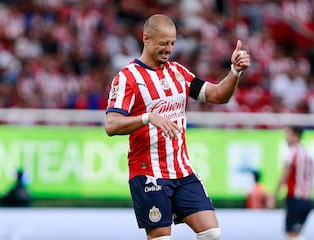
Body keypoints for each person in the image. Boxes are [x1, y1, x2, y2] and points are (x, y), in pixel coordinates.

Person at [104, 14, 250, 240]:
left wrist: (235, 72)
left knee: (212, 233)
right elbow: (111, 125)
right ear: (146, 38)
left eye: (172, 43)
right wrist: (146, 118)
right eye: (163, 43)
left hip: (182, 171)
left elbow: (218, 95)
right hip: (149, 173)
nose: (169, 49)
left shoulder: (178, 73)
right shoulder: (127, 78)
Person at [269, 126, 314, 240]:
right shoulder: (308, 153)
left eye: (288, 134)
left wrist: (274, 195)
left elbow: (285, 174)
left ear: (296, 136)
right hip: (308, 200)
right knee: (296, 234)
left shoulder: (291, 152)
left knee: (291, 235)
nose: (285, 137)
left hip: (295, 199)